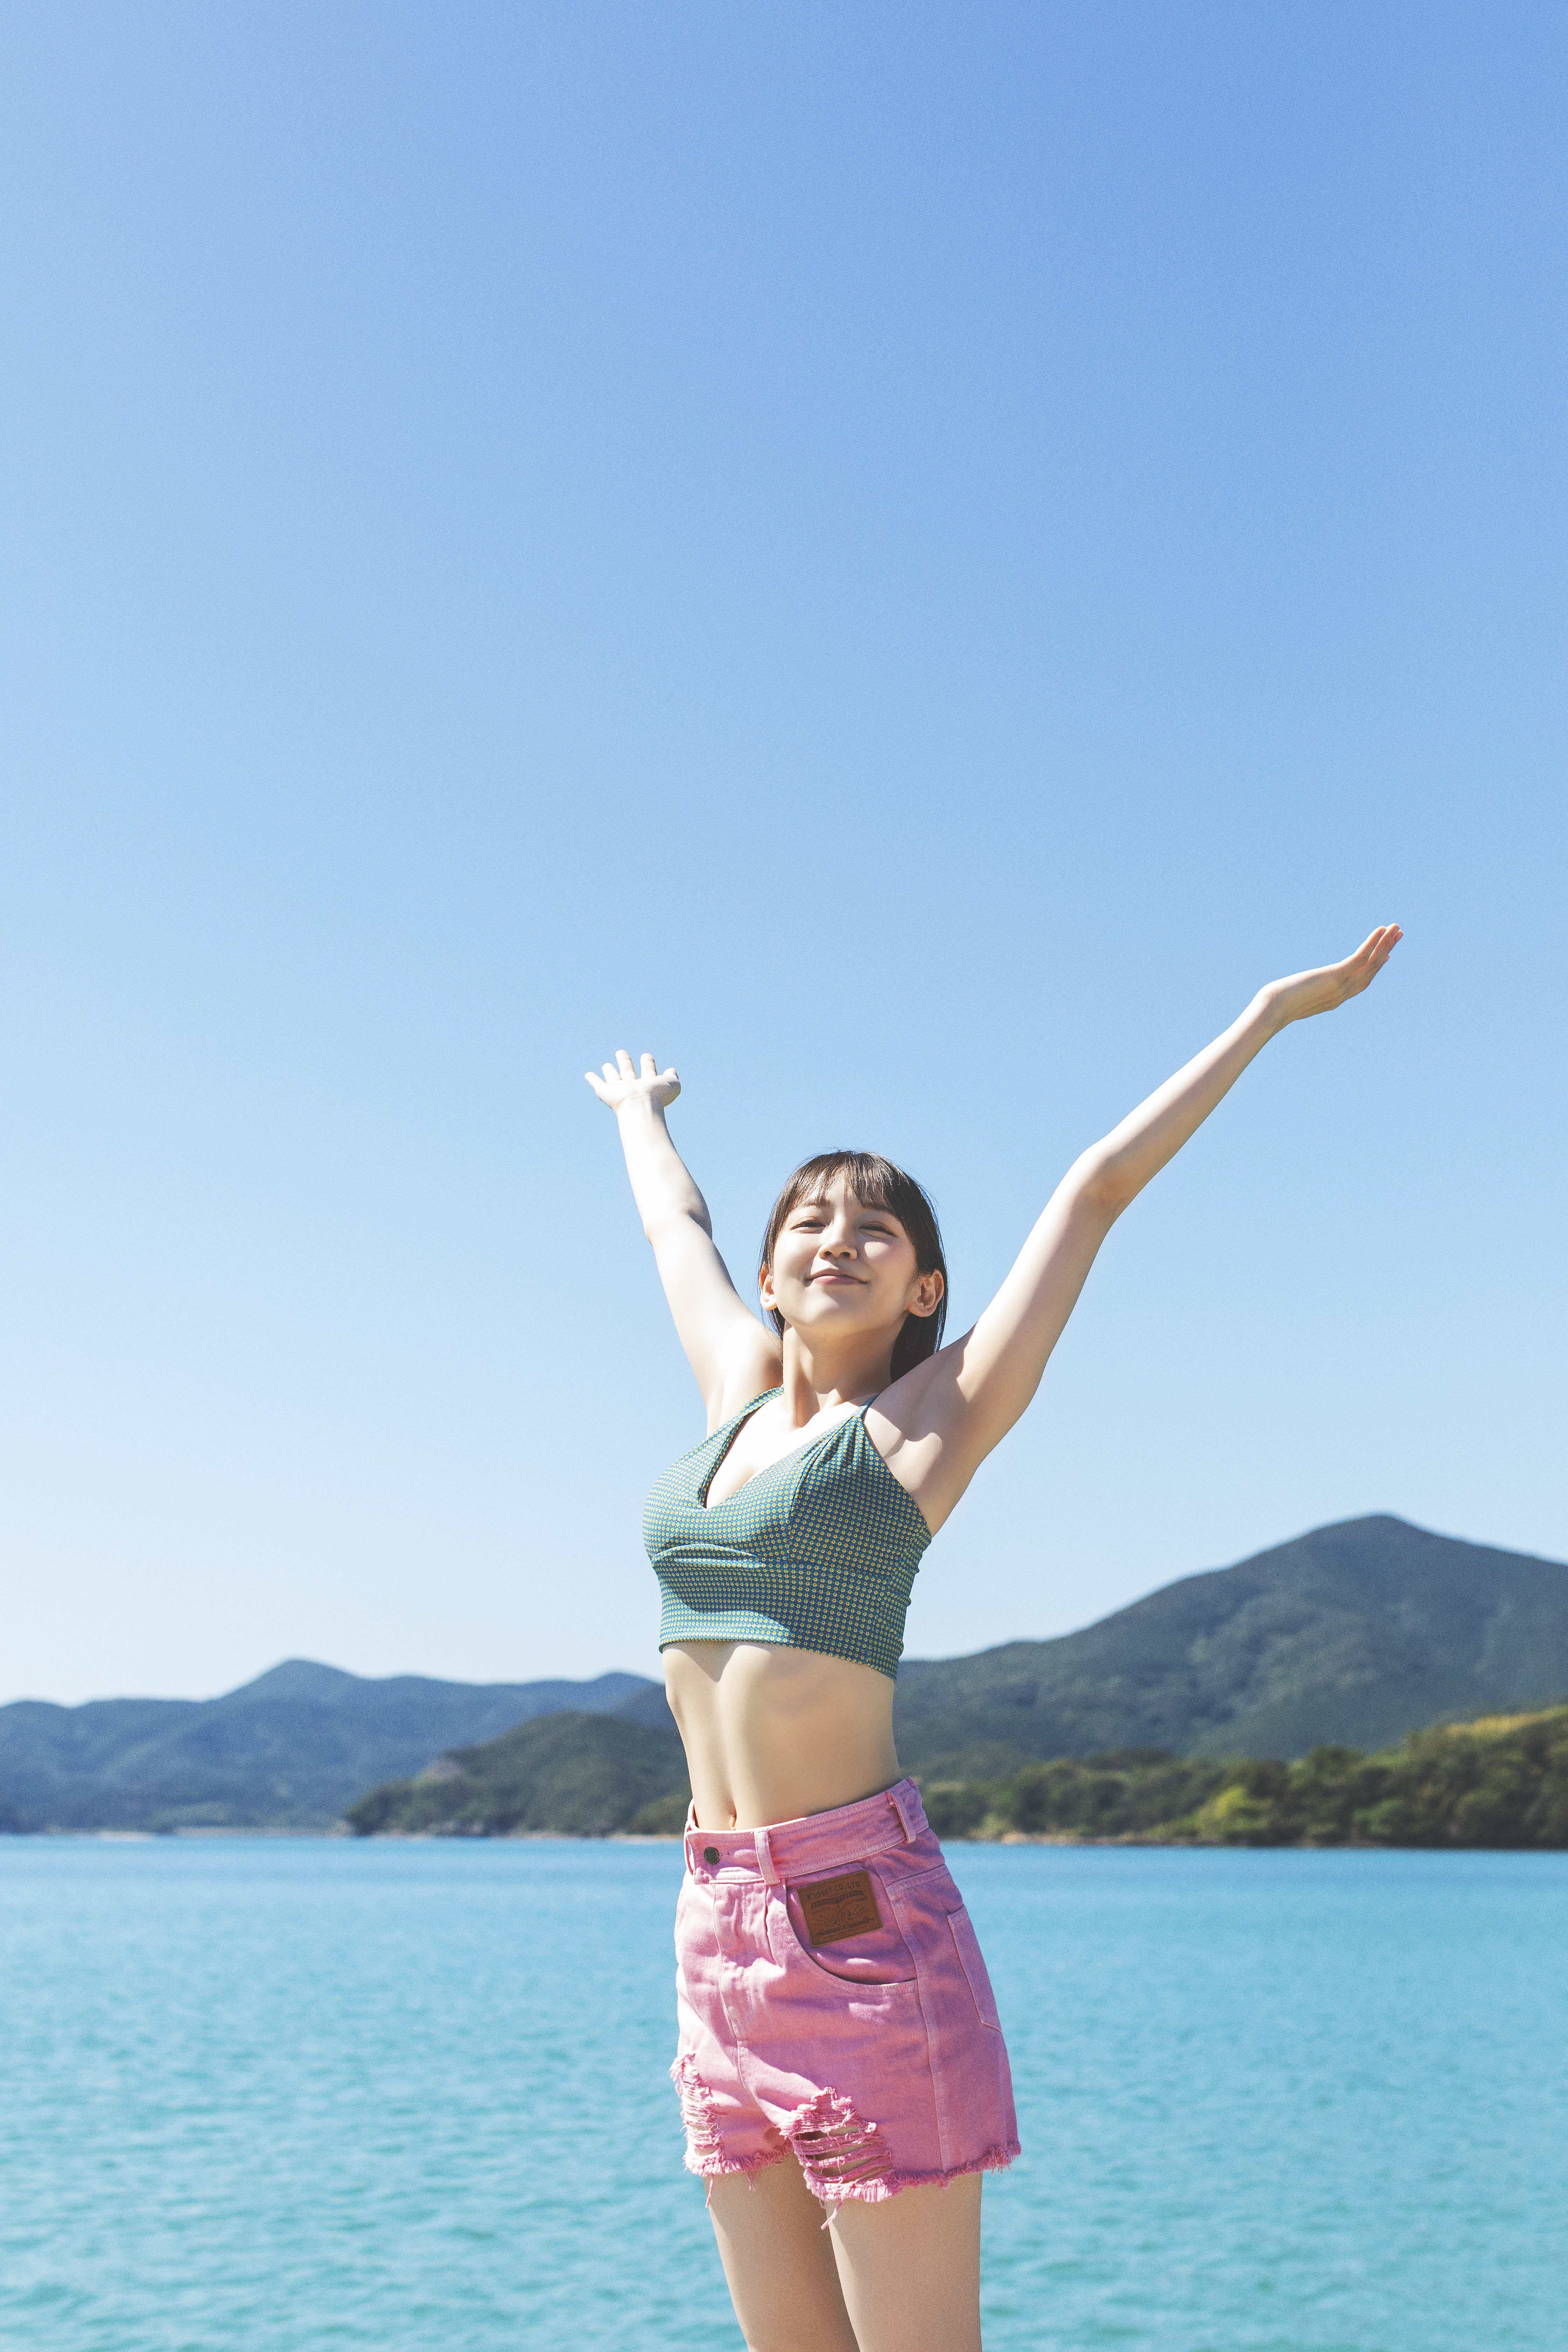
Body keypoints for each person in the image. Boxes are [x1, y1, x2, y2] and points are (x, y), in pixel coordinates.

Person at [586, 923, 1401, 2352]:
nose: (836, 1241)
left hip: (857, 1928)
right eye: (811, 1224)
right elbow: (675, 1228)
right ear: (774, 1271)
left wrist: (1266, 1017)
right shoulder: (725, 1383)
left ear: (925, 1294)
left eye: (878, 1230)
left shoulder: (925, 1423)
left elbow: (1091, 1192)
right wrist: (641, 1118)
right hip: (713, 1927)